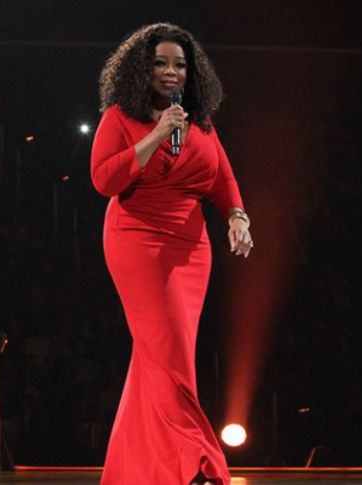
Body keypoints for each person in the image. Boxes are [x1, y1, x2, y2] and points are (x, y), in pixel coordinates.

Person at [90, 22, 253, 485]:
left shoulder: (200, 121)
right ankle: (200, 460)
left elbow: (223, 179)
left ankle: (140, 472)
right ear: (142, 69)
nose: (170, 72)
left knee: (156, 359)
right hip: (137, 239)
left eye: (179, 64)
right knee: (169, 357)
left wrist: (238, 216)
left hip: (191, 249)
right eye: (160, 63)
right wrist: (156, 134)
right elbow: (104, 180)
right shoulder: (121, 117)